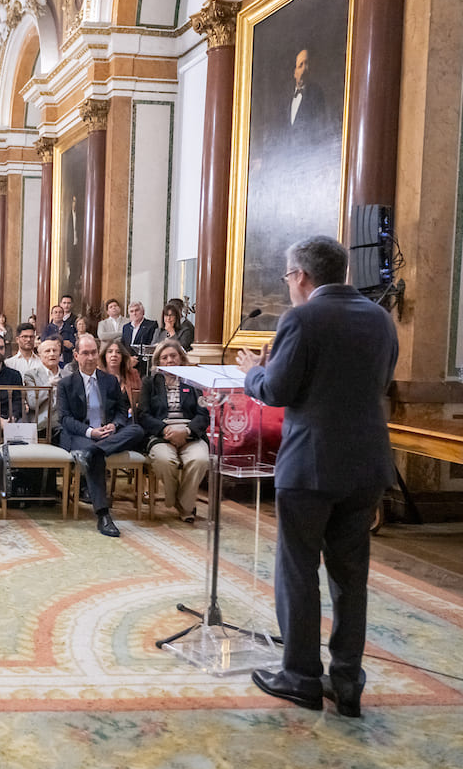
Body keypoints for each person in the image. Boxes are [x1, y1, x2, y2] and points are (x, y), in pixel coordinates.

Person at [237, 236, 397, 718]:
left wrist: (252, 373)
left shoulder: (302, 319)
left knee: (298, 570)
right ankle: (347, 681)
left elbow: (279, 389)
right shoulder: (380, 318)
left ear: (301, 276)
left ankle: (301, 677)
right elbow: (381, 381)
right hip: (366, 464)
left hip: (310, 465)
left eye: (288, 277)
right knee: (352, 578)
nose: (289, 286)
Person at [55, 333, 145, 538]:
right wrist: (90, 432)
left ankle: (93, 451)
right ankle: (103, 515)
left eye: (94, 352)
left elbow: (123, 411)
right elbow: (65, 419)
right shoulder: (66, 384)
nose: (91, 357)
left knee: (137, 430)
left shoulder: (109, 381)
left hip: (107, 435)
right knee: (95, 457)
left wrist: (114, 425)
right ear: (76, 355)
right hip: (81, 434)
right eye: (85, 353)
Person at [137, 339, 209, 523]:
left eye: (173, 356)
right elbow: (143, 415)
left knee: (199, 459)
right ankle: (184, 504)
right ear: (158, 362)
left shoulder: (193, 382)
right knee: (164, 460)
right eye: (164, 357)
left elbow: (203, 414)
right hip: (161, 433)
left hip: (190, 432)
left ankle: (182, 504)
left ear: (181, 359)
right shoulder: (150, 382)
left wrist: (186, 431)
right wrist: (165, 430)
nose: (169, 360)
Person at [22, 336, 65, 437]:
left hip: (65, 423)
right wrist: (49, 385)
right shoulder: (31, 375)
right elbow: (32, 403)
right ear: (40, 355)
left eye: (55, 350)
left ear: (59, 354)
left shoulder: (68, 375)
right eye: (47, 351)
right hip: (42, 424)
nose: (52, 354)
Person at [100, 338, 142, 409]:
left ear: (122, 356)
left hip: (130, 417)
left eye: (118, 352)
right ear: (105, 356)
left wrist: (134, 409)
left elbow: (141, 400)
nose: (114, 355)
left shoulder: (133, 374)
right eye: (110, 352)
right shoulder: (98, 375)